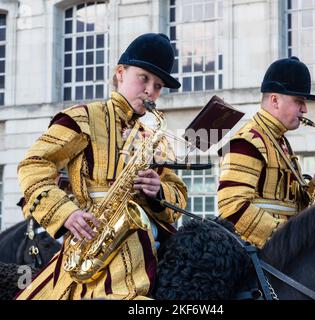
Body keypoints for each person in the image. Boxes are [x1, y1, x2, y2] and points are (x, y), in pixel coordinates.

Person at [16, 33, 187, 300]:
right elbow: (33, 165)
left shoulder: (155, 138)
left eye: (158, 85)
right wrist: (66, 214)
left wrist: (160, 192)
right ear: (120, 73)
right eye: (144, 78)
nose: (150, 91)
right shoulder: (82, 117)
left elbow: (180, 195)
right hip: (92, 244)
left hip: (149, 248)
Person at [217, 56, 315, 249]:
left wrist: (314, 189)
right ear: (275, 100)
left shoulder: (279, 140)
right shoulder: (247, 141)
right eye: (299, 101)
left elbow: (284, 201)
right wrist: (288, 237)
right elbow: (232, 206)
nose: (305, 109)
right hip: (257, 255)